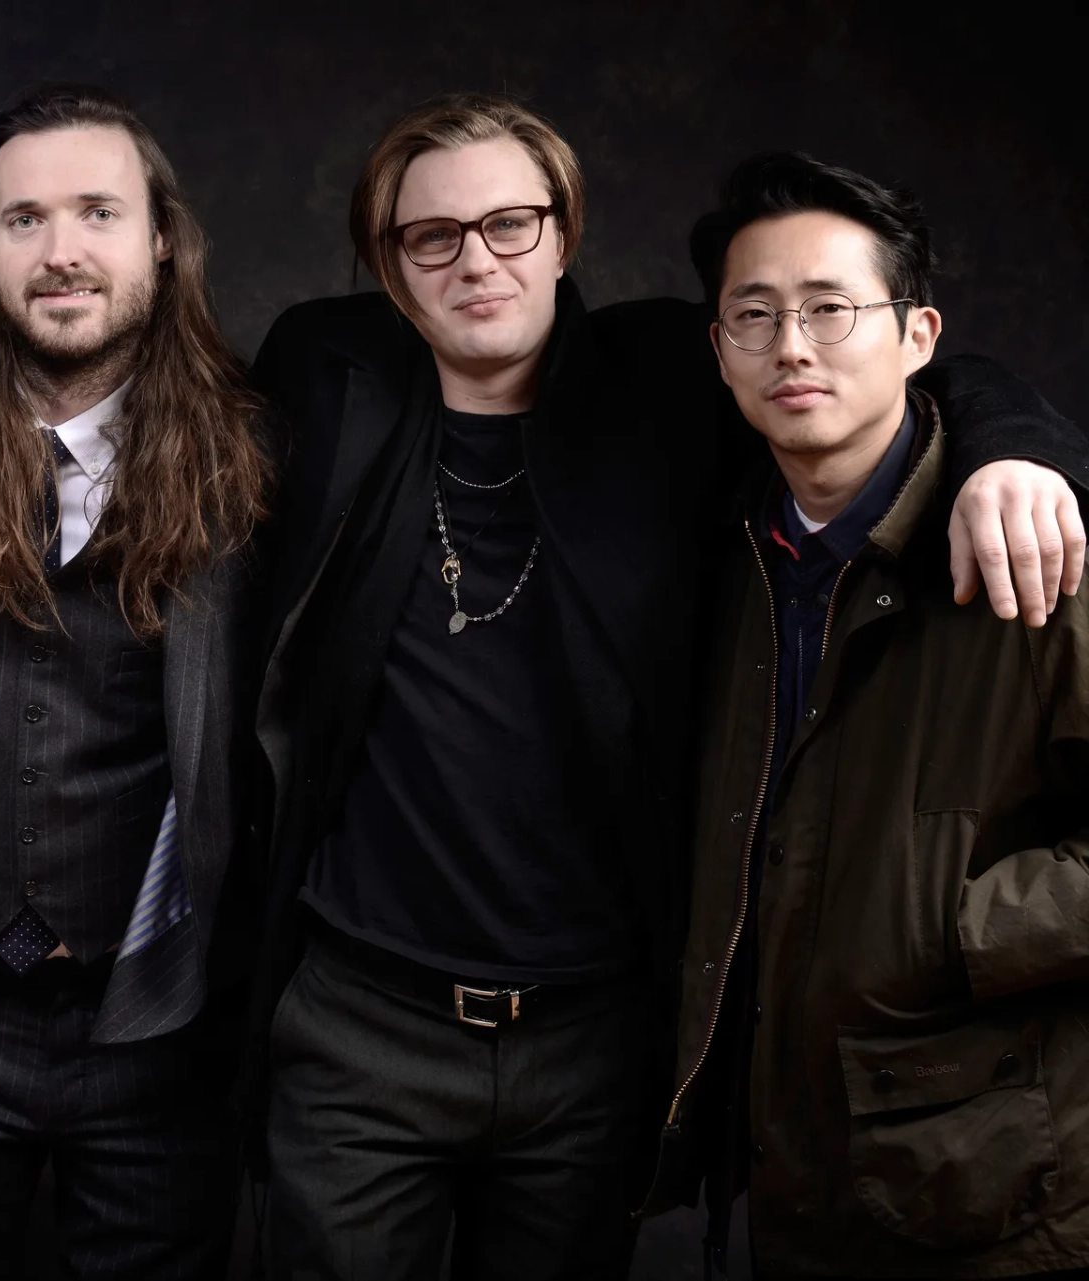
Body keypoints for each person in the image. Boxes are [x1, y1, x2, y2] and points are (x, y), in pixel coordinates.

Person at [240, 97, 1086, 1280]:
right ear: (388, 264)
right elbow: (126, 361)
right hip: (359, 1021)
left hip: (594, 1033)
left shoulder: (666, 383)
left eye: (510, 224)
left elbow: (868, 352)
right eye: (430, 236)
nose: (475, 259)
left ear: (566, 230)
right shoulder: (323, 371)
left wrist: (1015, 450)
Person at [0, 83, 270, 1278]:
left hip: (158, 1009)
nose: (62, 250)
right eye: (23, 220)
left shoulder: (256, 455)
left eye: (97, 211)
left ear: (163, 238)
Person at [649, 152, 1089, 1280]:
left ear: (920, 334)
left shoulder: (1037, 548)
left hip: (997, 1188)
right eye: (755, 314)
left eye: (831, 309)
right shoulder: (723, 551)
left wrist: (957, 925)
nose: (792, 347)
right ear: (720, 349)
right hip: (792, 1168)